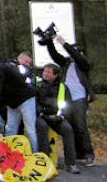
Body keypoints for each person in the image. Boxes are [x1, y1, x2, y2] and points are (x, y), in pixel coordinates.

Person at [45, 34, 96, 166]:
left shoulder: (84, 64)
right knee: (71, 127)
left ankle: (89, 155)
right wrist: (49, 41)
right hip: (67, 100)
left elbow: (78, 57)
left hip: (79, 98)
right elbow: (55, 55)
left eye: (75, 51)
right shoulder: (67, 63)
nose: (72, 53)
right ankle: (79, 154)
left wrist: (64, 44)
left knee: (80, 126)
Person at [0, 54, 38, 152]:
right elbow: (0, 92)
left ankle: (35, 154)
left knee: (30, 130)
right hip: (12, 102)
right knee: (10, 129)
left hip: (25, 99)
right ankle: (9, 153)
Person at [36, 63, 81, 174]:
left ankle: (70, 164)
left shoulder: (63, 87)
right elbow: (34, 102)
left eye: (48, 72)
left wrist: (61, 116)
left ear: (55, 75)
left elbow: (68, 105)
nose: (45, 74)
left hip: (57, 117)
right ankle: (45, 162)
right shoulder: (38, 84)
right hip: (42, 116)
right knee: (42, 127)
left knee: (68, 129)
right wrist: (41, 112)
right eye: (44, 71)